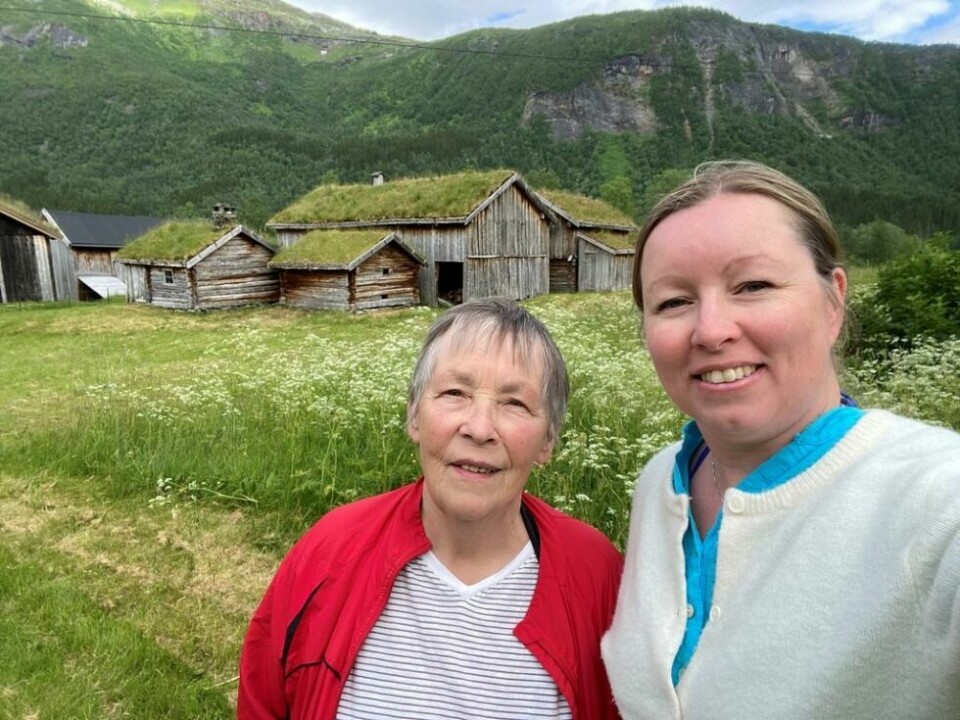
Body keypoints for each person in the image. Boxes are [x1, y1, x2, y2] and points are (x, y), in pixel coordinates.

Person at [601, 160, 960, 719]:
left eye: (754, 285)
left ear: (833, 300)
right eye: (674, 301)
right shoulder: (659, 482)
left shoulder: (935, 498)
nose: (711, 329)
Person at [239, 297, 623, 720]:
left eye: (514, 403)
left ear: (547, 441)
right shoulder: (329, 551)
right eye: (455, 393)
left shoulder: (597, 574)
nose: (479, 428)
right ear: (414, 417)